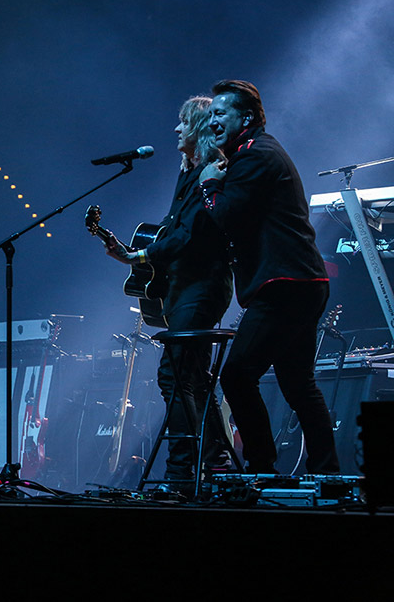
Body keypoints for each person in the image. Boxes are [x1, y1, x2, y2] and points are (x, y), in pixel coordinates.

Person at [199, 79, 339, 474]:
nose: (212, 123)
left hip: (285, 285)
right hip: (302, 282)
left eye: (220, 114)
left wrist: (208, 182)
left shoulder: (256, 155)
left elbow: (226, 216)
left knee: (237, 375)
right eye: (209, 115)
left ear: (246, 117)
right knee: (298, 385)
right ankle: (326, 471)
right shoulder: (256, 151)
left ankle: (260, 468)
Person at [104, 96, 234, 488]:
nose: (176, 129)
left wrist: (138, 255)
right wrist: (134, 254)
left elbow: (188, 235)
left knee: (174, 376)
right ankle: (217, 461)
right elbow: (171, 226)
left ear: (199, 127)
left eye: (182, 122)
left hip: (203, 285)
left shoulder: (213, 171)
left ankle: (181, 473)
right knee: (193, 377)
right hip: (183, 287)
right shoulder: (188, 172)